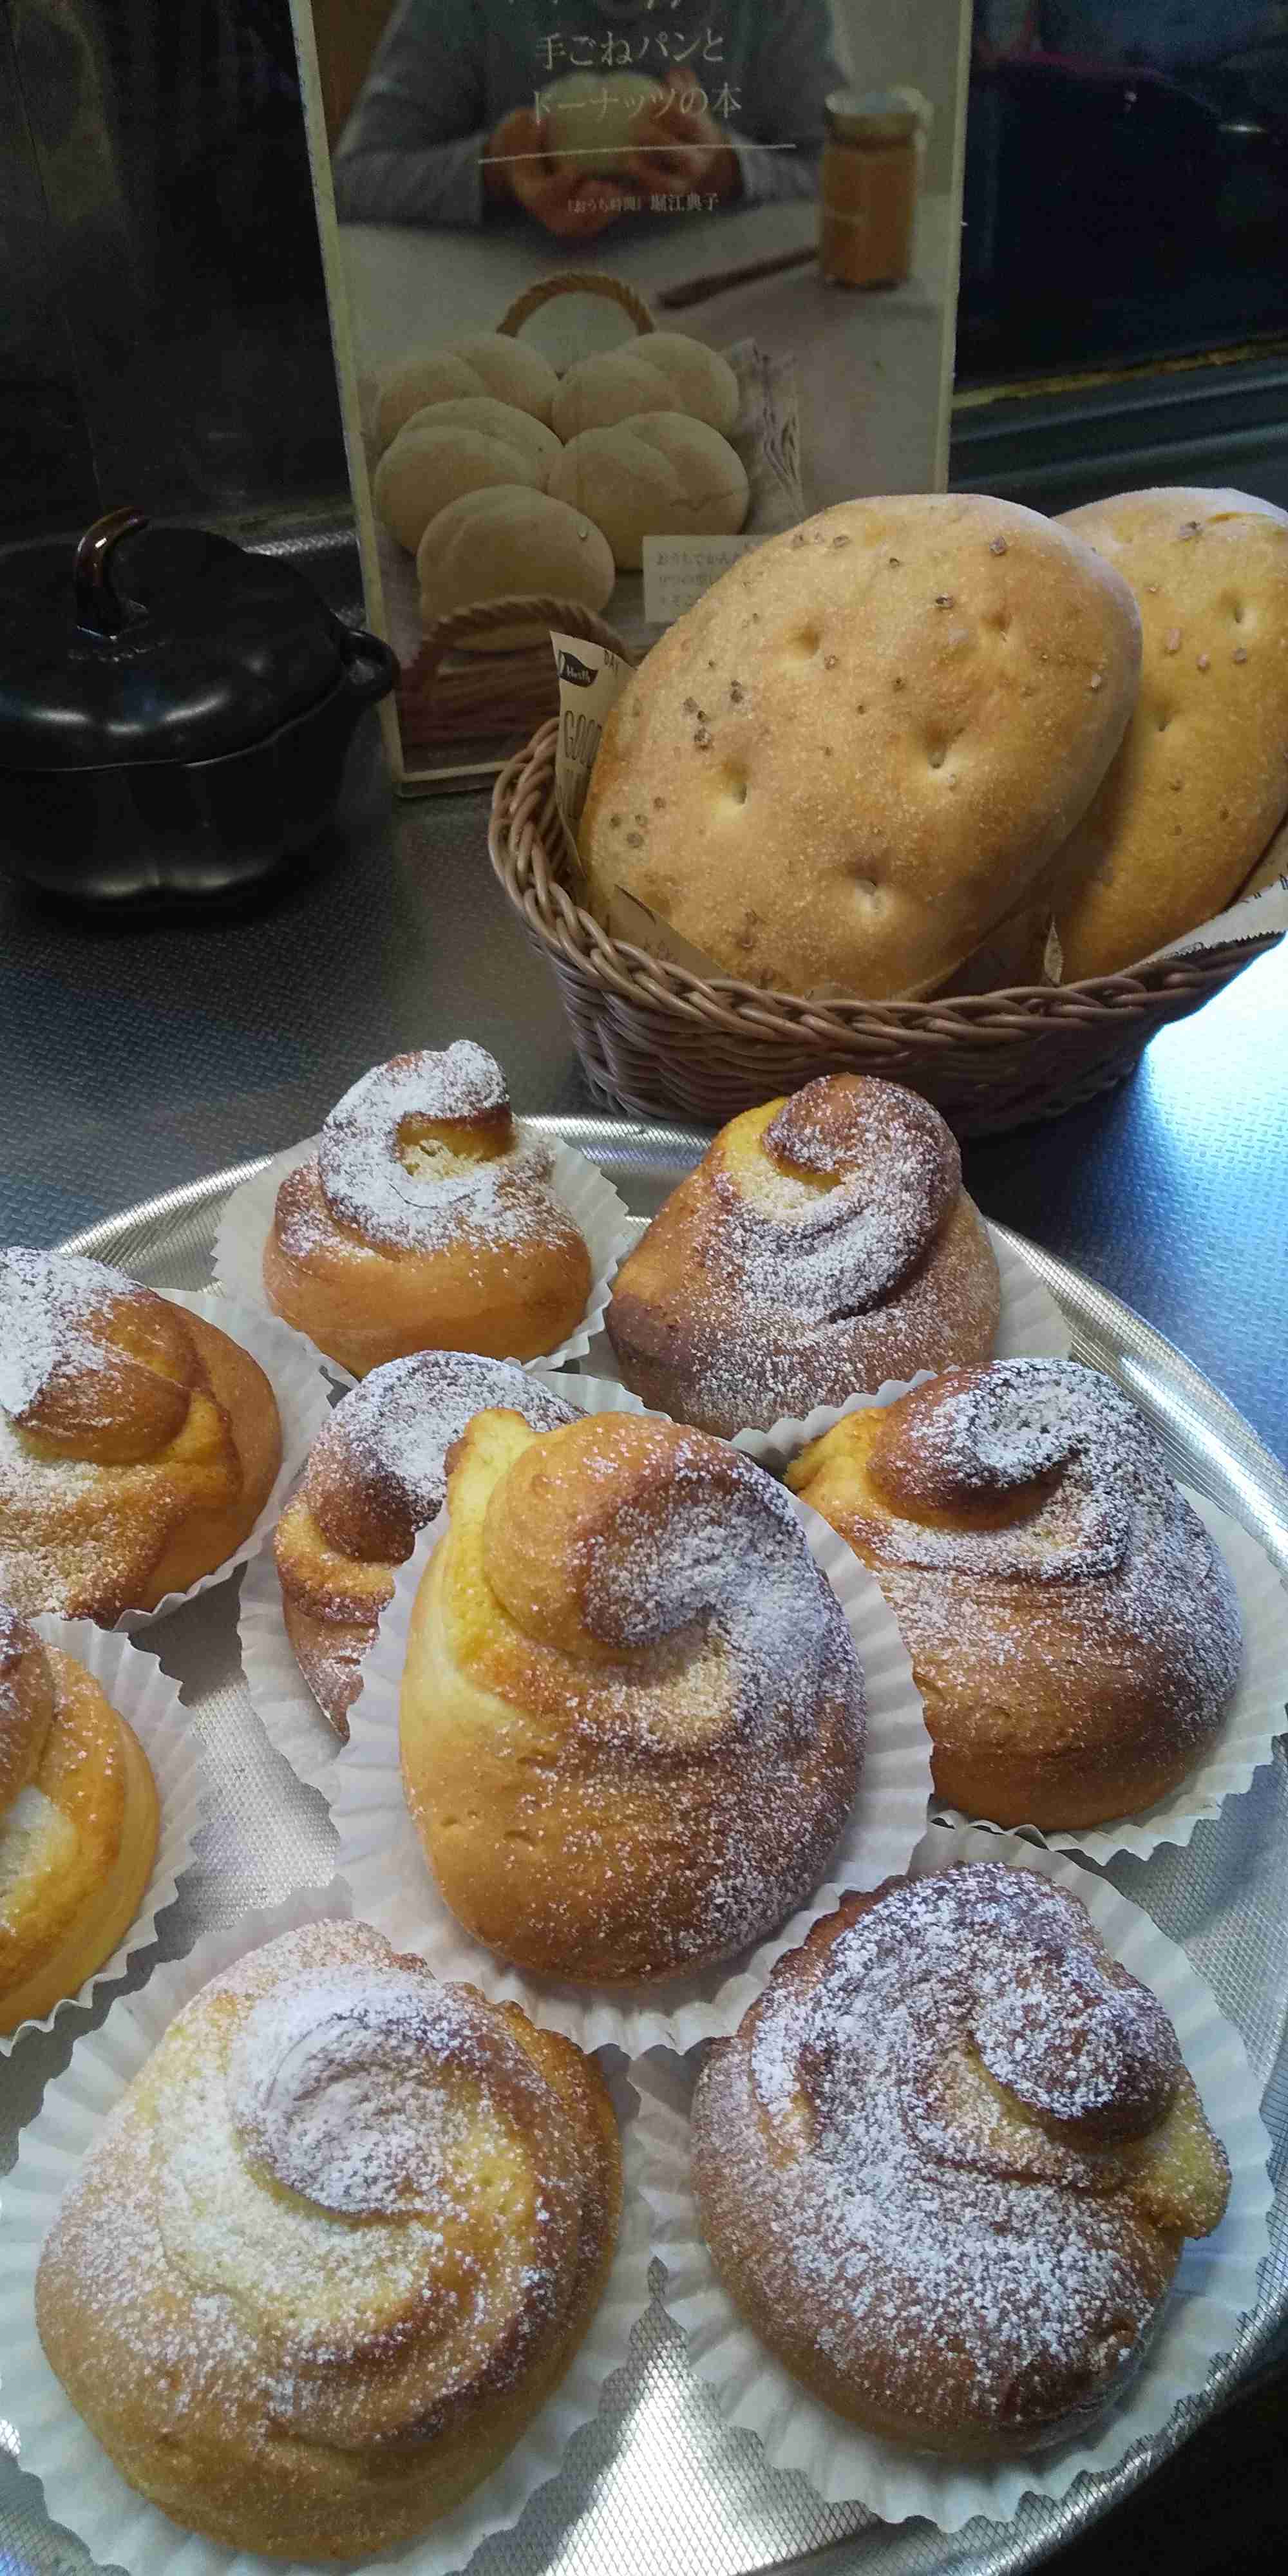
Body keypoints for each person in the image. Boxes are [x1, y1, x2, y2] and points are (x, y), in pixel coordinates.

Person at [332, 0, 843, 231]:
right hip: (503, 309)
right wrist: (496, 170)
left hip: (731, 314)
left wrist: (726, 169)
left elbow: (844, 173)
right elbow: (350, 182)